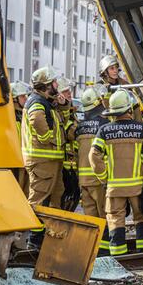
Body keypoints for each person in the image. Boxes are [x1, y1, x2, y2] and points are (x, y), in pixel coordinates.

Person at [90, 90, 143, 255]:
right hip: (137, 185)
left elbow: (94, 155)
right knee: (142, 216)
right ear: (129, 109)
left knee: (115, 219)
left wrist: (104, 178)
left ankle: (119, 256)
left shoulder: (104, 130)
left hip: (114, 188)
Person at [21, 67, 64, 208]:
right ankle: (35, 230)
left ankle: (49, 229)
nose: (57, 85)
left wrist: (62, 104)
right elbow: (36, 118)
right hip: (42, 161)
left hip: (48, 160)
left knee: (54, 197)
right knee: (38, 198)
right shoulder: (37, 102)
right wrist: (46, 138)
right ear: (47, 85)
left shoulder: (46, 101)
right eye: (55, 82)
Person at [76, 86, 110, 255]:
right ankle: (104, 251)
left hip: (83, 180)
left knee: (90, 216)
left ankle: (91, 249)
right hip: (98, 179)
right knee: (104, 214)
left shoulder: (80, 126)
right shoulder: (104, 125)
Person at [54, 76, 78, 211]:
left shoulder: (70, 108)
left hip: (72, 160)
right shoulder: (58, 110)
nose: (69, 93)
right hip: (64, 161)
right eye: (66, 91)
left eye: (70, 90)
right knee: (62, 194)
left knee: (73, 193)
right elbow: (68, 132)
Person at [10, 81, 32, 196]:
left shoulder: (23, 115)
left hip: (24, 161)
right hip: (14, 164)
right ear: (14, 99)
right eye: (22, 96)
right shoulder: (9, 117)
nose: (26, 98)